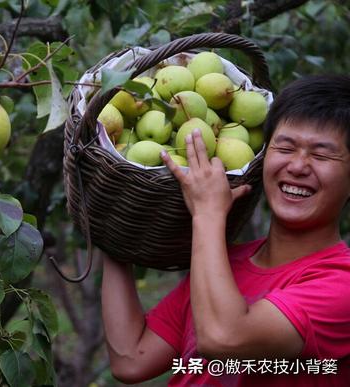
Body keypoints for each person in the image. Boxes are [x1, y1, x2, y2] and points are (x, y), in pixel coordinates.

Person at [101, 74, 350, 386]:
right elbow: (131, 359)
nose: (298, 166)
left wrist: (207, 213)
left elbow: (224, 339)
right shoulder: (226, 262)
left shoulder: (341, 284)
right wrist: (112, 234)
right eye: (285, 147)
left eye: (322, 154)